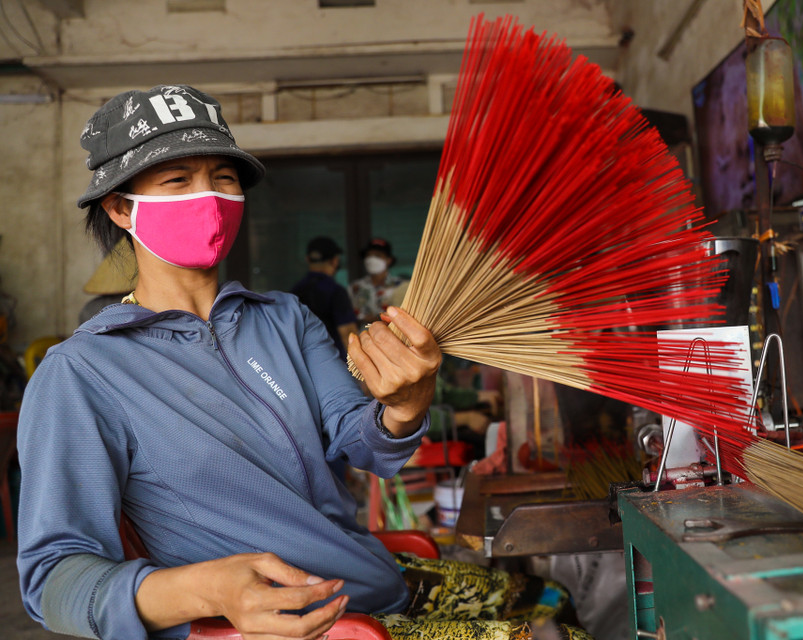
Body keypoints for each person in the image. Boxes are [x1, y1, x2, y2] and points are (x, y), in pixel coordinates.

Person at [16, 85, 590, 640]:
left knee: (554, 599)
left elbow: (360, 440)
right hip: (311, 624)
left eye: (223, 178)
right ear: (120, 208)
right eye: (177, 180)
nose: (209, 197)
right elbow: (54, 582)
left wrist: (404, 406)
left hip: (370, 579)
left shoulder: (285, 319)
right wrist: (209, 590)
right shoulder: (84, 373)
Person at [290, 236, 358, 361]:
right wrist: (359, 372)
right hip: (334, 363)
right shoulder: (336, 291)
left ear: (307, 259)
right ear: (335, 261)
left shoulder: (294, 292)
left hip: (302, 363)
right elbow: (348, 334)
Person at [350, 237, 406, 325]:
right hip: (363, 335)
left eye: (377, 255)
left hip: (394, 335)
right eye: (368, 255)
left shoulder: (401, 287)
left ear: (389, 260)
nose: (372, 259)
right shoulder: (355, 287)